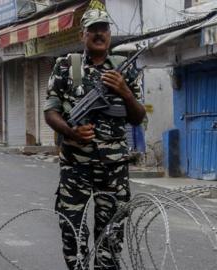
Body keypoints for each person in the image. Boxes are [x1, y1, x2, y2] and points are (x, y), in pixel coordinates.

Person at [44, 9, 146, 270]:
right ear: (83, 35)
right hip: (75, 165)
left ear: (110, 35)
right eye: (93, 29)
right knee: (72, 230)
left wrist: (125, 92)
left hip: (113, 168)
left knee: (111, 235)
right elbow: (50, 111)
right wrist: (70, 131)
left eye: (104, 28)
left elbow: (138, 117)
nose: (99, 33)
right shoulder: (67, 66)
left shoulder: (124, 67)